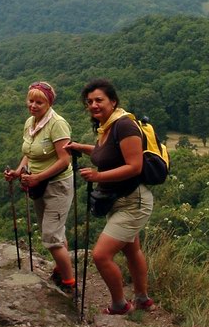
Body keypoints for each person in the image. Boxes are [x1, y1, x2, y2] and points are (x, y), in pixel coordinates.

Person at [66, 78, 155, 315]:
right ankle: (142, 299)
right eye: (89, 102)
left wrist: (98, 176)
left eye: (99, 100)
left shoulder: (124, 126)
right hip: (120, 199)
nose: (93, 105)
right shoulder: (107, 127)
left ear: (113, 101)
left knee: (101, 255)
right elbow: (106, 155)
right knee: (131, 250)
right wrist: (82, 148)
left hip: (132, 201)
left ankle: (119, 304)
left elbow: (134, 166)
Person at [4, 81, 76, 292]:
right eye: (31, 101)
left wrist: (39, 177)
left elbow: (65, 160)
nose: (33, 105)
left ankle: (69, 284)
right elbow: (29, 152)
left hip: (57, 184)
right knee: (56, 232)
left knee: (51, 236)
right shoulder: (30, 122)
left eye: (39, 102)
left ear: (49, 103)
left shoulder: (57, 124)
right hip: (36, 183)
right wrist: (19, 171)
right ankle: (59, 269)